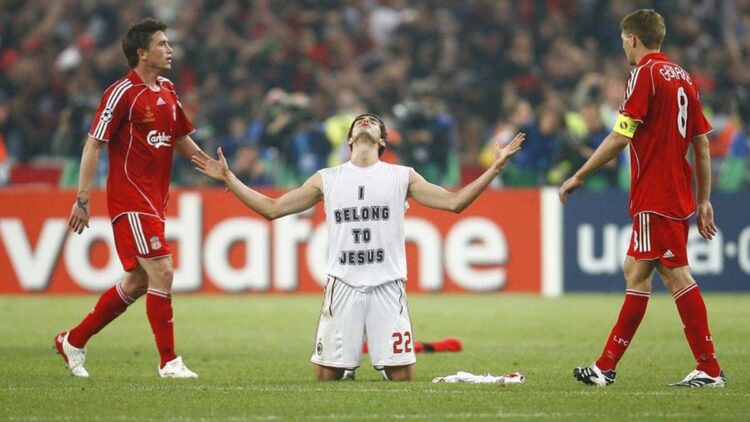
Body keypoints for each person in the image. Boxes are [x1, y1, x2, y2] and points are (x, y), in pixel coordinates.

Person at [193, 113, 525, 381]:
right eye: (359, 122)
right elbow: (273, 209)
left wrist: (494, 168)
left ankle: (373, 362)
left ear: (382, 140)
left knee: (402, 377)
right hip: (343, 284)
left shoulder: (401, 176)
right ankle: (347, 365)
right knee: (325, 376)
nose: (365, 122)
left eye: (373, 121)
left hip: (387, 285)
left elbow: (454, 203)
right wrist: (229, 180)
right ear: (350, 138)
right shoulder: (327, 178)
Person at [559, 9, 724, 388]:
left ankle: (710, 368)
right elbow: (701, 144)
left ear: (633, 39)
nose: (623, 48)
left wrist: (579, 174)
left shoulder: (643, 74)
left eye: (623, 41)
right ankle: (605, 367)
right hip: (677, 192)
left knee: (675, 274)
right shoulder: (684, 78)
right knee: (637, 269)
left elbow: (620, 136)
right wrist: (703, 199)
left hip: (655, 193)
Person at [55, 18, 208, 379]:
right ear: (142, 53)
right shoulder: (121, 92)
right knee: (163, 271)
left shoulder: (168, 89)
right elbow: (94, 142)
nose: (170, 50)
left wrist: (214, 168)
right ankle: (169, 362)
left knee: (140, 280)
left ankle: (73, 341)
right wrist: (82, 198)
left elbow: (181, 139)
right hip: (130, 198)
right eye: (162, 44)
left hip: (156, 199)